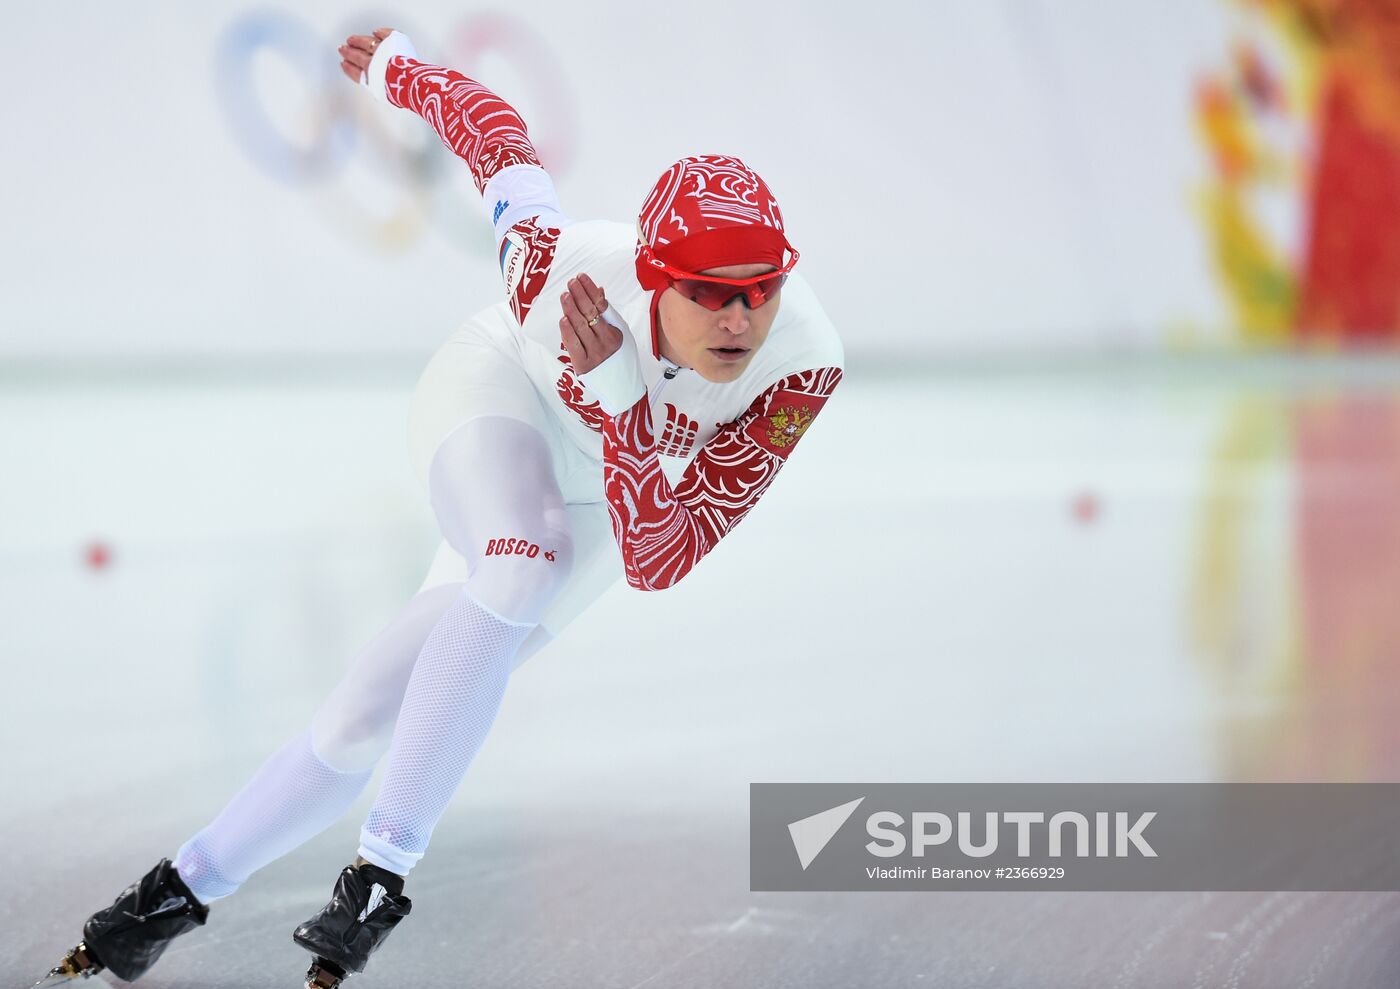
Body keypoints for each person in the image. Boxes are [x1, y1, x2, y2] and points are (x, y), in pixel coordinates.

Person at [36, 25, 844, 989]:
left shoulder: (802, 362)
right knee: (524, 551)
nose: (742, 320)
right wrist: (396, 70)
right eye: (712, 294)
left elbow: (659, 560)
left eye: (762, 290)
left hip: (598, 486)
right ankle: (381, 878)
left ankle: (166, 897)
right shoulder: (563, 275)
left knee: (363, 718)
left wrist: (629, 403)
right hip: (499, 401)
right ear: (655, 277)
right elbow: (501, 146)